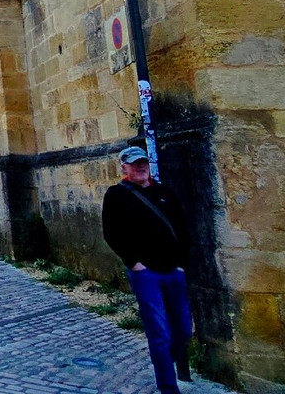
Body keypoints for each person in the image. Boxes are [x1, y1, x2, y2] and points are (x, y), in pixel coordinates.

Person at [102, 146, 194, 394]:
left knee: (184, 329)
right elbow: (111, 232)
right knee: (159, 332)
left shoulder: (164, 192)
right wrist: (134, 263)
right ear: (124, 168)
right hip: (146, 274)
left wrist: (181, 264)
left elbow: (182, 227)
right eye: (134, 164)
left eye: (143, 162)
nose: (140, 167)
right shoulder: (116, 195)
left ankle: (164, 360)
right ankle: (168, 387)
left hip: (173, 271)